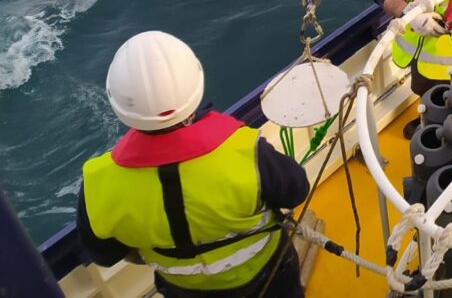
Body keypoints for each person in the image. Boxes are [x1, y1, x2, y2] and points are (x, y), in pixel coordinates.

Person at [77, 32, 310, 298]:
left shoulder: (98, 184)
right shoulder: (245, 151)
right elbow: (297, 190)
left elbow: (104, 255)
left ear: (116, 100)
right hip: (268, 278)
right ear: (195, 82)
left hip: (185, 291)